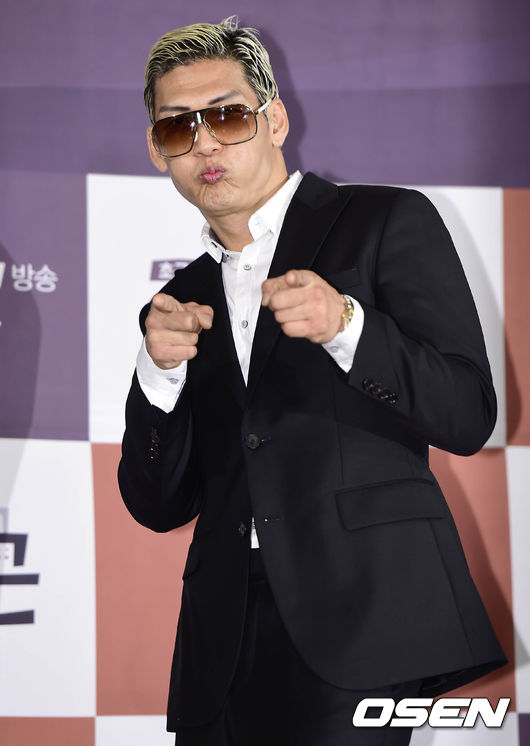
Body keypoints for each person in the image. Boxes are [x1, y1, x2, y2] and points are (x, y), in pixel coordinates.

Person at [118, 17, 506, 746]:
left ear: (275, 120)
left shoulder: (384, 220)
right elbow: (157, 504)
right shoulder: (177, 302)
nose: (204, 144)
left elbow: (466, 414)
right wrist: (158, 375)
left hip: (361, 613)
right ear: (156, 149)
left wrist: (348, 327)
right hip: (221, 638)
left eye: (227, 116)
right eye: (177, 128)